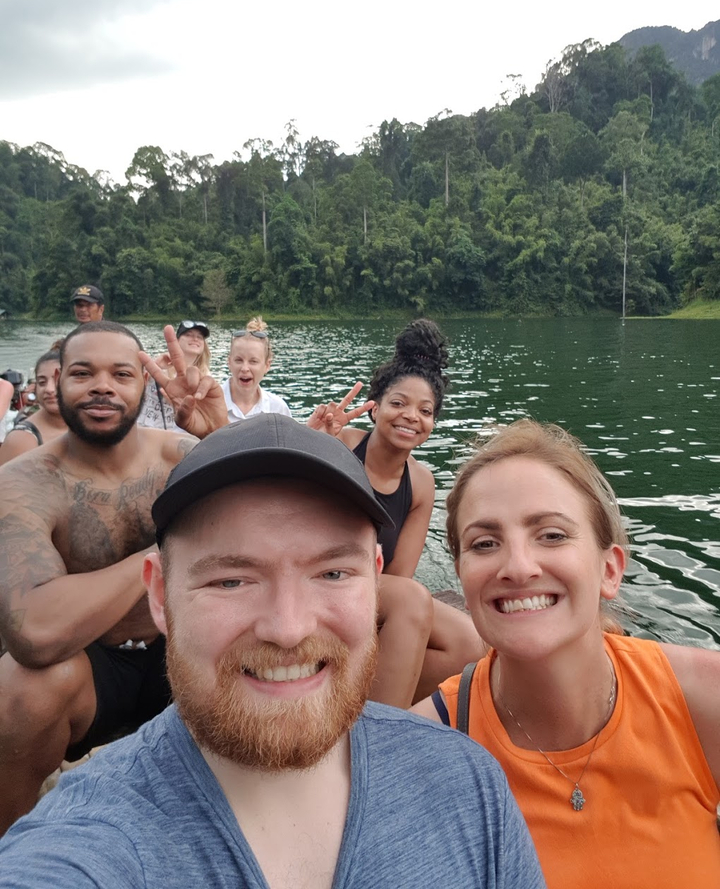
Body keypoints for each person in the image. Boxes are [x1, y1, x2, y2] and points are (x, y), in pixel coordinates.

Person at [0, 415, 545, 889]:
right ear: (161, 594)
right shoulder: (87, 847)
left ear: (373, 582)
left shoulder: (469, 786)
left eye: (333, 573)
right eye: (232, 581)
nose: (287, 628)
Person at [412, 419, 720, 888]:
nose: (517, 566)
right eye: (485, 543)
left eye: (552, 535)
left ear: (610, 569)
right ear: (462, 577)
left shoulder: (703, 701)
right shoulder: (423, 748)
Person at [0, 321, 227, 835]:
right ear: (56, 385)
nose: (102, 385)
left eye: (121, 374)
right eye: (83, 373)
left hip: (182, 649)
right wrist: (169, 546)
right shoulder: (22, 482)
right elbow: (34, 631)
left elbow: (266, 524)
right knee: (22, 687)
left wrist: (220, 437)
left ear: (143, 387)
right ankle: (12, 855)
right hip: (95, 670)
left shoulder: (181, 456)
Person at [310, 319, 484, 707]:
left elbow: (398, 575)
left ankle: (362, 701)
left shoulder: (420, 483)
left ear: (433, 423)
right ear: (375, 408)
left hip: (368, 589)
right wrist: (313, 445)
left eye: (425, 410)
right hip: (316, 579)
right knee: (412, 600)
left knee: (469, 645)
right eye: (399, 403)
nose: (411, 416)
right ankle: (379, 738)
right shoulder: (339, 444)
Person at [138, 320, 213, 432]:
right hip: (145, 430)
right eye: (188, 335)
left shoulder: (206, 378)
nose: (195, 339)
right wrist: (153, 367)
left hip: (177, 435)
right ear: (177, 341)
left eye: (200, 337)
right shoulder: (160, 365)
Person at [0, 349, 67, 464]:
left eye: (58, 380)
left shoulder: (93, 426)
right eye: (42, 382)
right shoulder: (21, 440)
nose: (49, 389)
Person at [223, 316, 291, 422]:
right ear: (229, 362)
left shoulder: (278, 409)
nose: (245, 368)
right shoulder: (209, 403)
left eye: (253, 361)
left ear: (267, 365)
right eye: (239, 360)